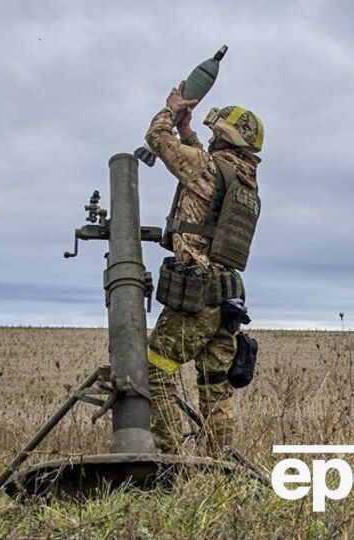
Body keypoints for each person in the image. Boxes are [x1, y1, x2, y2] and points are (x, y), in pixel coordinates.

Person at [144, 82, 263, 456]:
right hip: (227, 299)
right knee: (215, 385)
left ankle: (167, 459)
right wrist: (189, 132)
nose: (209, 140)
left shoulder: (209, 168)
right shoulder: (243, 179)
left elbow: (156, 139)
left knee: (155, 371)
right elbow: (204, 164)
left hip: (196, 297)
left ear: (225, 139)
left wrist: (169, 110)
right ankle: (219, 468)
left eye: (215, 134)